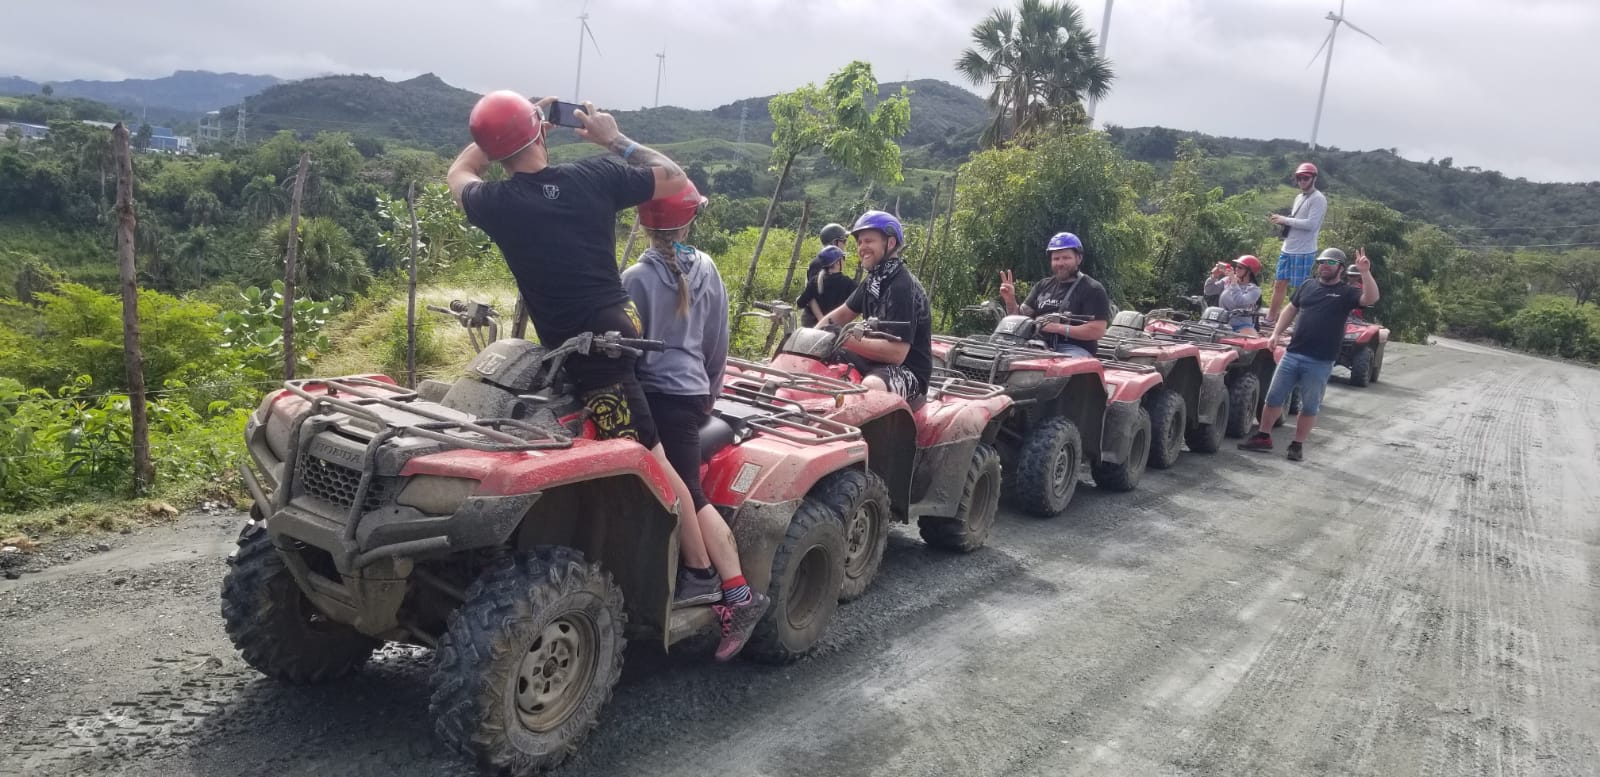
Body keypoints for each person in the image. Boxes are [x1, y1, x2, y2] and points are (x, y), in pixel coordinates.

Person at [445, 91, 718, 613]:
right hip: (612, 328)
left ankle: (701, 572)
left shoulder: (496, 203)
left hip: (595, 352)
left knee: (653, 459)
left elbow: (460, 169)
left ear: (495, 150)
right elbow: (676, 177)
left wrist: (505, 125)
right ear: (544, 131)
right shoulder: (594, 176)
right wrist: (613, 137)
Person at [621, 181, 767, 661]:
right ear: (690, 221)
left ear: (643, 224)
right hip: (690, 395)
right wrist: (711, 392)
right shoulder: (707, 268)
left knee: (688, 493)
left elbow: (625, 352)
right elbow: (717, 342)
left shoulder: (634, 279)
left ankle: (734, 592)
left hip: (653, 399)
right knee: (684, 488)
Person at [1238, 247, 1378, 461]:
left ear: (1340, 267)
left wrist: (1365, 272)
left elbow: (1371, 298)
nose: (1323, 266)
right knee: (1274, 398)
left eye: (1329, 263)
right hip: (1293, 353)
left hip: (1320, 360)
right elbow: (1290, 309)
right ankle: (1263, 437)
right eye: (1321, 262)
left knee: (1310, 406)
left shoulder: (1346, 292)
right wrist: (1276, 333)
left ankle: (1297, 445)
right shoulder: (1308, 286)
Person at [814, 211, 933, 400]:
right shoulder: (873, 282)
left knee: (870, 387)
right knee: (814, 363)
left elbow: (897, 354)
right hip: (873, 361)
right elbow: (842, 314)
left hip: (908, 372)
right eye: (860, 242)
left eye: (869, 241)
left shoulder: (902, 286)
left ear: (890, 243)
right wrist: (811, 336)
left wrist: (843, 338)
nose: (862, 247)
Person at [997, 232, 1113, 358]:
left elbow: (1097, 330)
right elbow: (1019, 320)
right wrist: (1010, 300)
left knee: (1056, 369)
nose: (1060, 263)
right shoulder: (1042, 285)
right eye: (1056, 259)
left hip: (1073, 349)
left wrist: (1057, 328)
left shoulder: (1092, 289)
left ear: (1078, 258)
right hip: (1036, 345)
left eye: (1066, 258)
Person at [1266, 162, 1328, 325]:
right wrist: (1284, 221)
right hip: (1288, 248)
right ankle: (1271, 318)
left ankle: (1299, 322)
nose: (1301, 181)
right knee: (1279, 284)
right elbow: (1298, 221)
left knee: (1300, 290)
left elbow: (1311, 224)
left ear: (1314, 178)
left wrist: (1285, 219)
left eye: (1305, 178)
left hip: (1304, 250)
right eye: (1299, 178)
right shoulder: (1299, 197)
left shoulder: (1318, 199)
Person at [795, 241, 857, 328]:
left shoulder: (814, 281)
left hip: (814, 328)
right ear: (837, 262)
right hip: (837, 329)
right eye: (843, 258)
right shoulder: (848, 283)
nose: (844, 261)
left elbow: (800, 303)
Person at [1203, 255, 1264, 336]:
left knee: (1248, 339)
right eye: (1236, 266)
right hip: (1221, 323)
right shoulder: (1228, 280)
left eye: (1240, 267)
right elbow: (1209, 291)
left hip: (1240, 326)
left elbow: (1240, 302)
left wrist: (1234, 283)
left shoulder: (1254, 290)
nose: (1236, 269)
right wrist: (1214, 276)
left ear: (1249, 271)